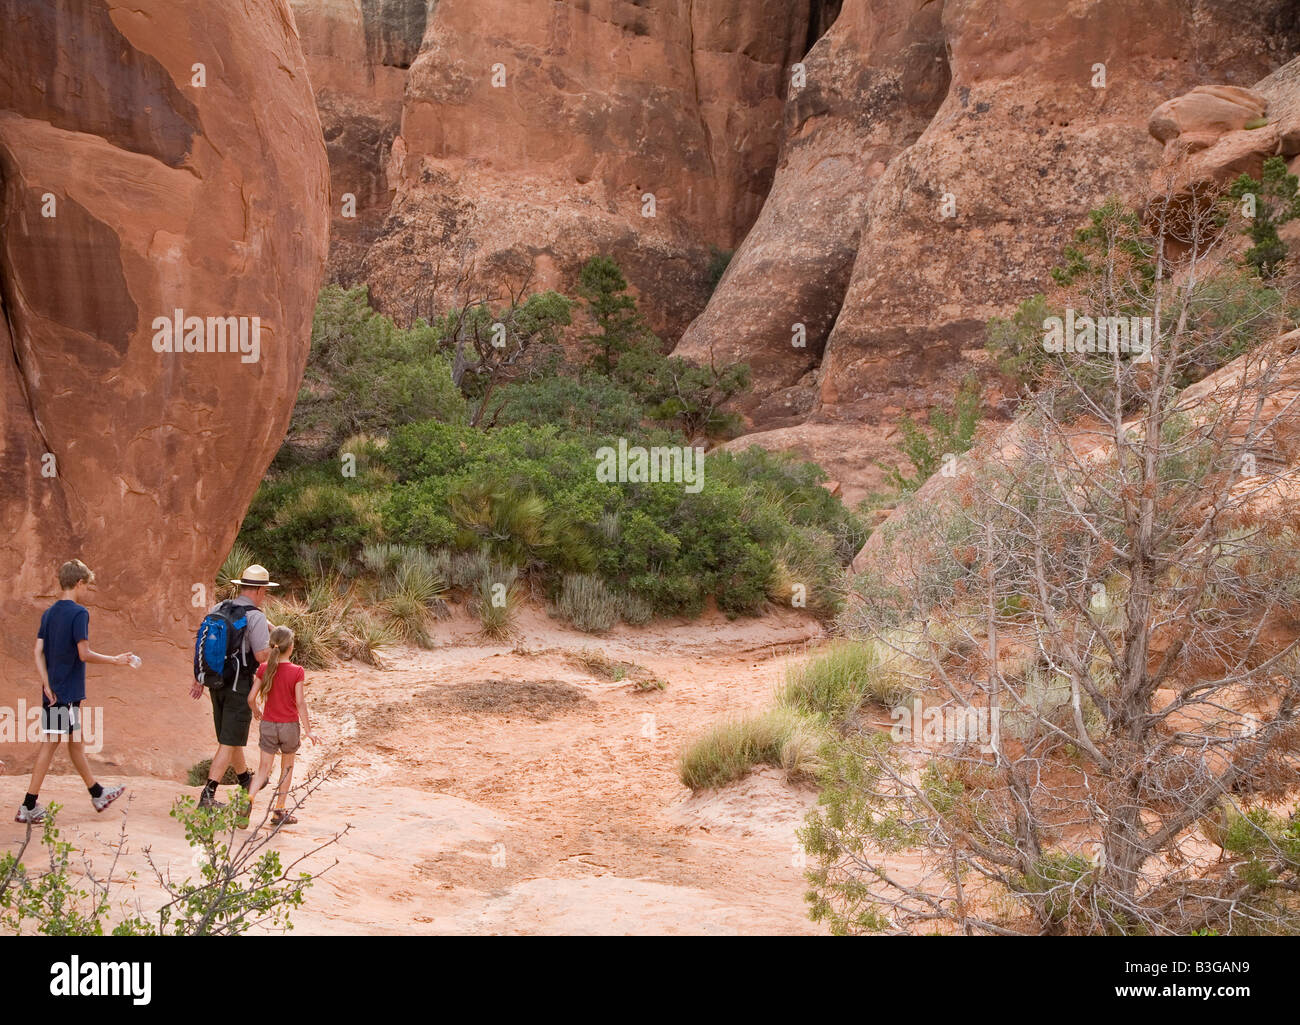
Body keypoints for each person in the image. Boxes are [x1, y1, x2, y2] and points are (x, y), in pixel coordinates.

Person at [15, 559, 136, 824]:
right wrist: (115, 660)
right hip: (66, 692)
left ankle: (97, 794)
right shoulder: (79, 613)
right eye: (86, 585)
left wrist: (45, 682)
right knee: (51, 744)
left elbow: (37, 651)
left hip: (54, 690)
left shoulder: (49, 613)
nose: (86, 590)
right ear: (79, 583)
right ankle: (27, 806)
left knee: (74, 744)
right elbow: (84, 653)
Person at [189, 564, 276, 808]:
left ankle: (245, 780)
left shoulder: (219, 608)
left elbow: (204, 644)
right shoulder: (256, 617)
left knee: (231, 737)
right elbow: (261, 656)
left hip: (216, 682)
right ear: (259, 591)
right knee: (228, 742)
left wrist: (198, 677)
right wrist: (276, 645)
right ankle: (208, 795)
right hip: (240, 687)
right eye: (265, 591)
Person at [245, 625, 316, 827]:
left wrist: (256, 710)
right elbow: (300, 702)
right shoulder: (297, 671)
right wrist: (309, 730)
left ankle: (249, 798)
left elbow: (251, 697)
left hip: (268, 724)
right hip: (288, 726)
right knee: (287, 767)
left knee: (263, 770)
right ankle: (279, 811)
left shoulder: (264, 668)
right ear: (290, 647)